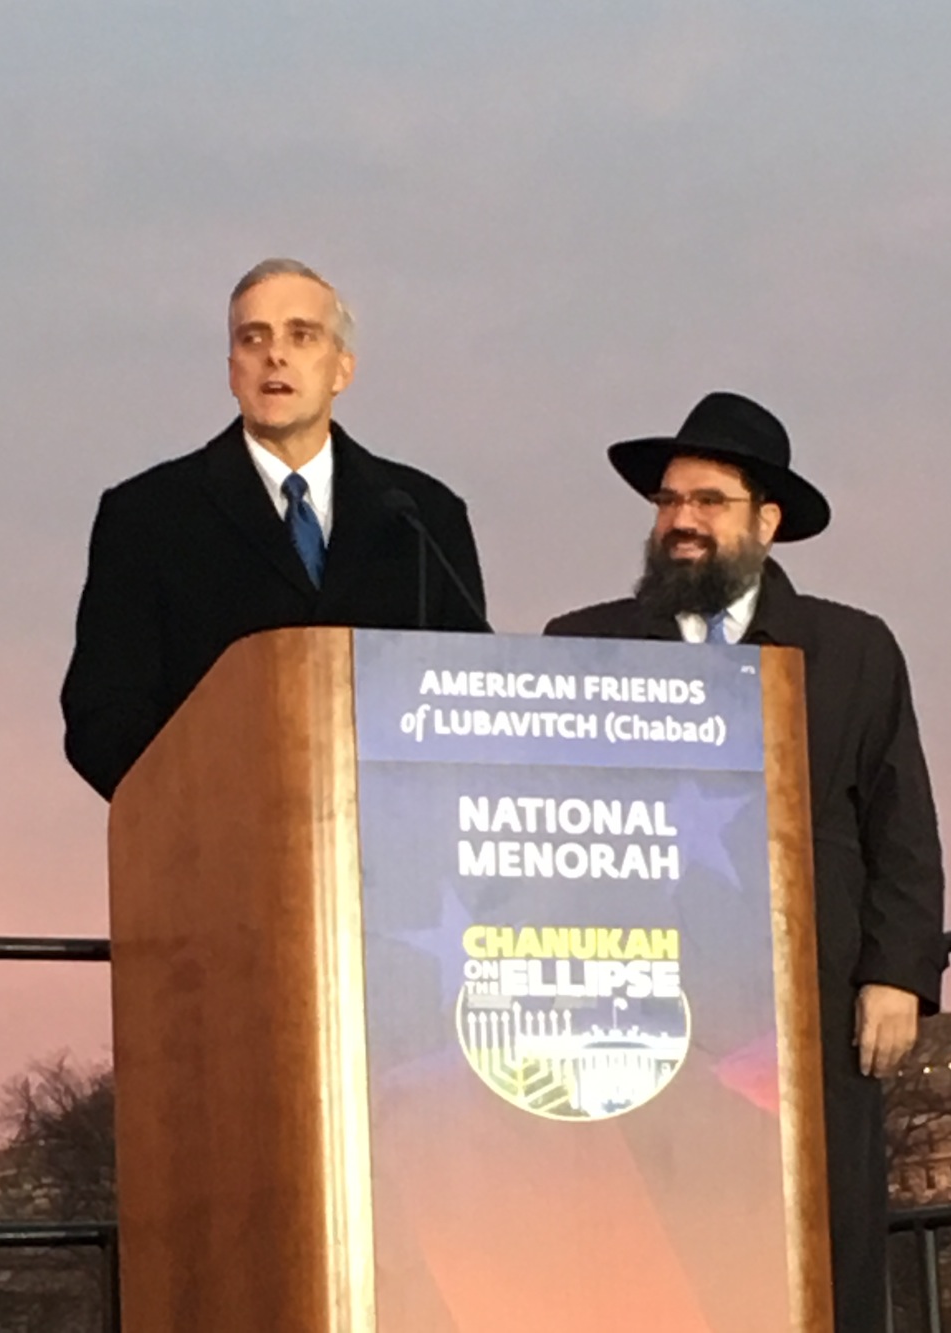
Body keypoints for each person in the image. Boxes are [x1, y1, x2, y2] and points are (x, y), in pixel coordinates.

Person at [544, 390, 946, 1333]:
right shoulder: (584, 645)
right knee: (650, 1240)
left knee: (825, 1240)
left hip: (814, 1007)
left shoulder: (851, 647)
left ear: (767, 522)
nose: (681, 520)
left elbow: (903, 826)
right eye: (669, 501)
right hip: (636, 1014)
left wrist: (896, 974)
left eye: (709, 500)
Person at [62, 258, 487, 799]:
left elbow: (473, 698)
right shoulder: (148, 516)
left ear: (342, 369)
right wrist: (197, 806)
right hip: (214, 852)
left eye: (301, 335)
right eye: (252, 338)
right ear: (233, 370)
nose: (275, 354)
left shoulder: (423, 515)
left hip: (399, 852)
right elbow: (103, 715)